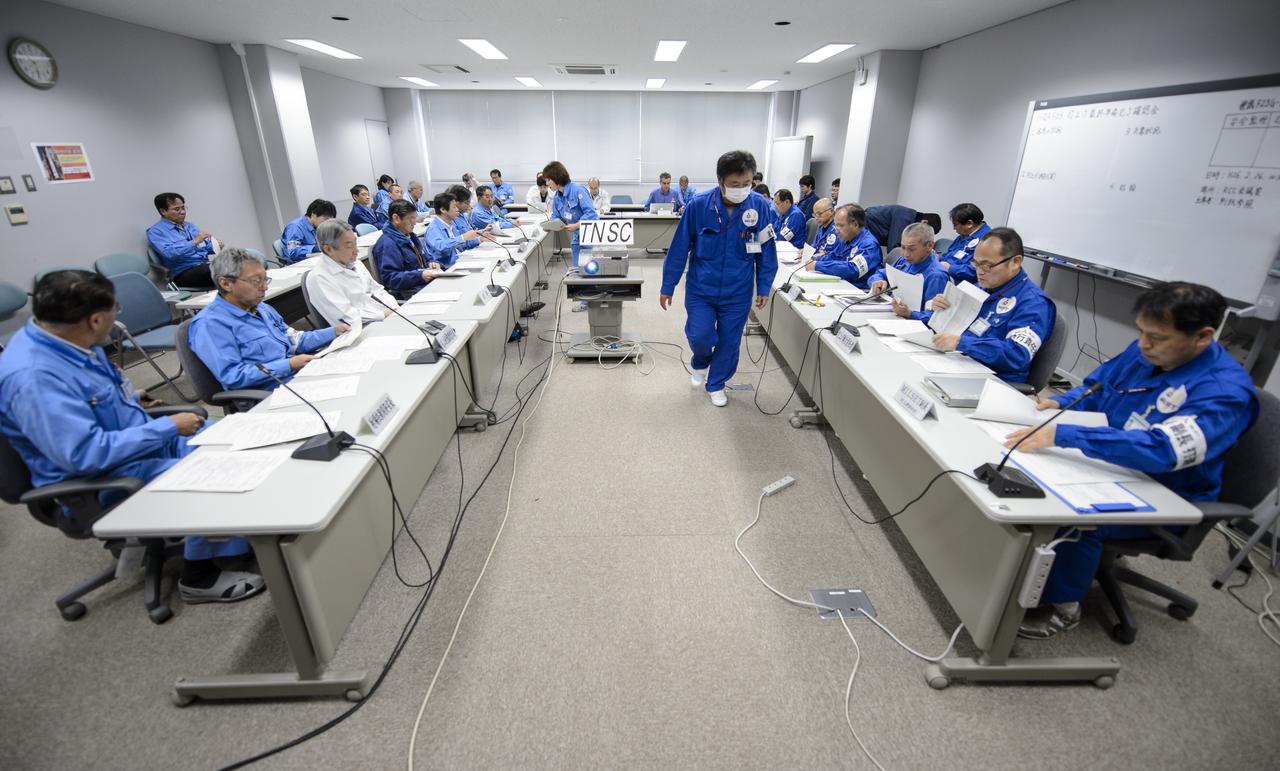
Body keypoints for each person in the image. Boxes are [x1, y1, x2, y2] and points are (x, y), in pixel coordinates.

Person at [1006, 282, 1258, 639]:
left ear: (1202, 336)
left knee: (1070, 512)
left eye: (1157, 337)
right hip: (1110, 461)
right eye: (1141, 331)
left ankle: (1061, 606)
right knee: (1019, 474)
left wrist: (1069, 435)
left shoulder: (1225, 393)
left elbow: (1163, 450)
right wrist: (1066, 402)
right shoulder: (1147, 351)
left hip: (1164, 492)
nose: (1143, 344)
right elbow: (1099, 386)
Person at [0, 270, 265, 603]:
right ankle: (199, 576)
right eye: (115, 311)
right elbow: (83, 454)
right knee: (212, 472)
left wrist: (127, 400)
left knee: (237, 440)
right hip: (99, 477)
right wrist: (168, 426)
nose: (116, 319)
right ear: (95, 320)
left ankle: (233, 539)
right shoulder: (33, 378)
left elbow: (91, 395)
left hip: (134, 442)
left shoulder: (68, 339)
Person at [660, 150, 778, 407]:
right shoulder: (699, 206)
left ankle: (716, 383)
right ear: (720, 180)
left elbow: (766, 249)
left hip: (738, 290)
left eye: (747, 184)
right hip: (702, 288)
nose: (742, 189)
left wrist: (764, 286)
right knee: (701, 336)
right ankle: (700, 361)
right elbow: (680, 247)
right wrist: (668, 285)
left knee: (729, 341)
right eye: (735, 185)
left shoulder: (759, 207)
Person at [189, 249, 344, 391]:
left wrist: (334, 332)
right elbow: (232, 376)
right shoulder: (210, 324)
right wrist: (288, 365)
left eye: (265, 279)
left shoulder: (261, 308)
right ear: (226, 283)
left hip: (298, 377)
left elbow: (295, 340)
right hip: (272, 391)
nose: (265, 287)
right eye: (256, 281)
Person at [927, 227, 1055, 384]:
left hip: (995, 382)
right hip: (960, 364)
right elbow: (952, 322)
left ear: (1015, 262)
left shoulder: (1034, 303)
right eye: (976, 264)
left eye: (987, 265)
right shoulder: (981, 287)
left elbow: (1017, 354)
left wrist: (962, 343)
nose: (979, 272)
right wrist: (934, 309)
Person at [305, 219, 398, 325]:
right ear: (328, 249)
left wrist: (394, 307)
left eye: (355, 243)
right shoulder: (319, 278)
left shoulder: (355, 262)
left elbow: (378, 290)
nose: (356, 250)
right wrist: (383, 314)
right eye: (349, 246)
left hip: (387, 316)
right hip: (360, 329)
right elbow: (347, 317)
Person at [868, 222, 950, 322]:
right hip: (891, 313)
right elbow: (880, 274)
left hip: (911, 324)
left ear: (929, 245)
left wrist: (910, 314)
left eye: (912, 249)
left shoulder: (936, 275)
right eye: (903, 247)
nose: (906, 254)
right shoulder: (903, 261)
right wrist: (877, 281)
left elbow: (935, 317)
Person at [146, 192, 219, 288]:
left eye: (183, 207)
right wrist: (194, 242)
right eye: (177, 209)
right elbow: (170, 253)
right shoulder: (155, 232)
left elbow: (205, 247)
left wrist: (215, 245)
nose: (182, 212)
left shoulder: (189, 226)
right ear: (163, 211)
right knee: (221, 271)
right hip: (183, 273)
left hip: (203, 266)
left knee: (233, 263)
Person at [805, 203, 882, 291]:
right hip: (841, 284)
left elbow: (853, 270)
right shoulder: (846, 238)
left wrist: (817, 265)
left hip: (857, 290)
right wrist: (814, 260)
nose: (836, 229)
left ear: (855, 225)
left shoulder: (869, 245)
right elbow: (833, 256)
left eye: (840, 225)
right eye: (835, 224)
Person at [378, 198, 446, 298]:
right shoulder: (387, 244)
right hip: (413, 292)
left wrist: (432, 263)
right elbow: (390, 278)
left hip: (425, 284)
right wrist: (419, 275)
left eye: (415, 218)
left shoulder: (410, 236)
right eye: (410, 218)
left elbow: (424, 258)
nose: (414, 222)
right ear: (396, 218)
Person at [542, 160, 599, 269]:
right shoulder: (557, 197)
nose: (547, 184)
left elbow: (591, 214)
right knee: (577, 269)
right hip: (577, 237)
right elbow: (556, 216)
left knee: (592, 269)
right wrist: (549, 226)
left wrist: (576, 225)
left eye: (549, 180)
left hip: (590, 235)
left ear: (556, 178)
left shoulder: (578, 190)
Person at [425, 192, 485, 271]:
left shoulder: (451, 224)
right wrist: (463, 237)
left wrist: (479, 239)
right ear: (443, 209)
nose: (457, 210)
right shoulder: (433, 229)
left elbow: (461, 245)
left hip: (459, 262)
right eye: (454, 207)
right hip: (447, 268)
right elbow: (441, 247)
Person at [938, 203, 992, 284]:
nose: (953, 228)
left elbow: (977, 271)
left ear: (969, 224)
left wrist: (950, 268)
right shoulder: (964, 235)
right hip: (949, 275)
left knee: (935, 276)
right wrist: (939, 258)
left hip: (964, 283)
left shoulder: (988, 241)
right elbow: (951, 254)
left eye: (955, 224)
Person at [279, 198, 336, 264]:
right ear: (313, 214)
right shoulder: (295, 226)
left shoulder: (317, 226)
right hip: (299, 263)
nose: (327, 223)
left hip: (315, 259)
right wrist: (313, 248)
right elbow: (293, 251)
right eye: (325, 219)